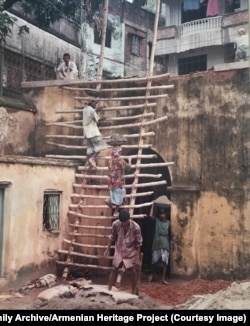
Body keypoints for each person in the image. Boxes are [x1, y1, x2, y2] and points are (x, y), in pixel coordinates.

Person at [104, 209, 142, 295]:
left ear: (129, 219)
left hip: (131, 251)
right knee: (114, 269)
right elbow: (113, 237)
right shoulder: (116, 224)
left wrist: (137, 258)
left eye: (126, 222)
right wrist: (108, 248)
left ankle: (133, 291)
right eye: (122, 222)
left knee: (133, 271)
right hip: (119, 249)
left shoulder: (136, 227)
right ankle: (108, 290)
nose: (124, 224)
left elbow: (138, 243)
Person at [105, 135, 131, 217]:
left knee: (114, 193)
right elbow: (128, 168)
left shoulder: (110, 160)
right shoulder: (120, 160)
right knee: (121, 196)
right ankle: (115, 211)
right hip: (117, 181)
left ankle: (110, 200)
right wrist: (129, 160)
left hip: (110, 180)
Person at [147, 207, 171, 285]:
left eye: (163, 214)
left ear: (166, 214)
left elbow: (170, 234)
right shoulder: (156, 221)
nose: (162, 215)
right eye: (161, 214)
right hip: (157, 242)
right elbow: (150, 216)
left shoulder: (168, 223)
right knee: (154, 261)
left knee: (165, 261)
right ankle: (152, 275)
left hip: (165, 243)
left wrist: (173, 244)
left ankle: (163, 278)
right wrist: (153, 205)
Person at [82, 97, 107, 169]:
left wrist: (100, 108)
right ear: (91, 103)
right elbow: (98, 119)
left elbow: (93, 111)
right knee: (100, 147)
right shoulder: (91, 110)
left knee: (91, 149)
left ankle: (90, 164)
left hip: (87, 133)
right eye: (95, 103)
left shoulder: (85, 109)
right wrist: (104, 118)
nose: (95, 105)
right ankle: (92, 159)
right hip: (93, 132)